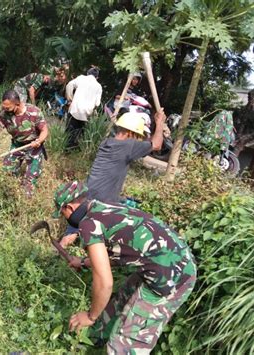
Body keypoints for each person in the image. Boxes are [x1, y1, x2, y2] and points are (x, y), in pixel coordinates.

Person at [52, 181, 197, 354]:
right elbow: (117, 254)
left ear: (68, 207)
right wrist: (82, 262)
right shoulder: (105, 207)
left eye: (63, 213)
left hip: (171, 276)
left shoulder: (88, 224)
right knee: (122, 299)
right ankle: (92, 340)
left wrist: (90, 316)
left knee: (127, 344)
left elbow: (104, 282)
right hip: (174, 260)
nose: (64, 217)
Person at [61, 110, 166, 247]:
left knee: (77, 228)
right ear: (130, 133)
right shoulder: (128, 146)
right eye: (138, 136)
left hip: (86, 197)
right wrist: (160, 123)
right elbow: (156, 144)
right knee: (101, 233)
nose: (139, 140)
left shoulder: (107, 143)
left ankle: (60, 248)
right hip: (102, 202)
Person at [0, 89, 48, 195]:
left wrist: (39, 141)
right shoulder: (4, 115)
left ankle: (25, 201)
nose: (5, 109)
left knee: (29, 184)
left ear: (17, 104)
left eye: (7, 107)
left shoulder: (34, 111)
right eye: (3, 107)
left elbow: (44, 130)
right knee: (5, 175)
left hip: (34, 147)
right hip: (17, 145)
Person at [65, 66, 103, 149]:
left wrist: (70, 99)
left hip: (75, 109)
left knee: (70, 131)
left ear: (87, 74)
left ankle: (66, 149)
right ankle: (75, 149)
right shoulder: (99, 86)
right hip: (87, 113)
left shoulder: (81, 78)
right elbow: (97, 103)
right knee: (80, 132)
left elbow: (69, 85)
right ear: (97, 77)